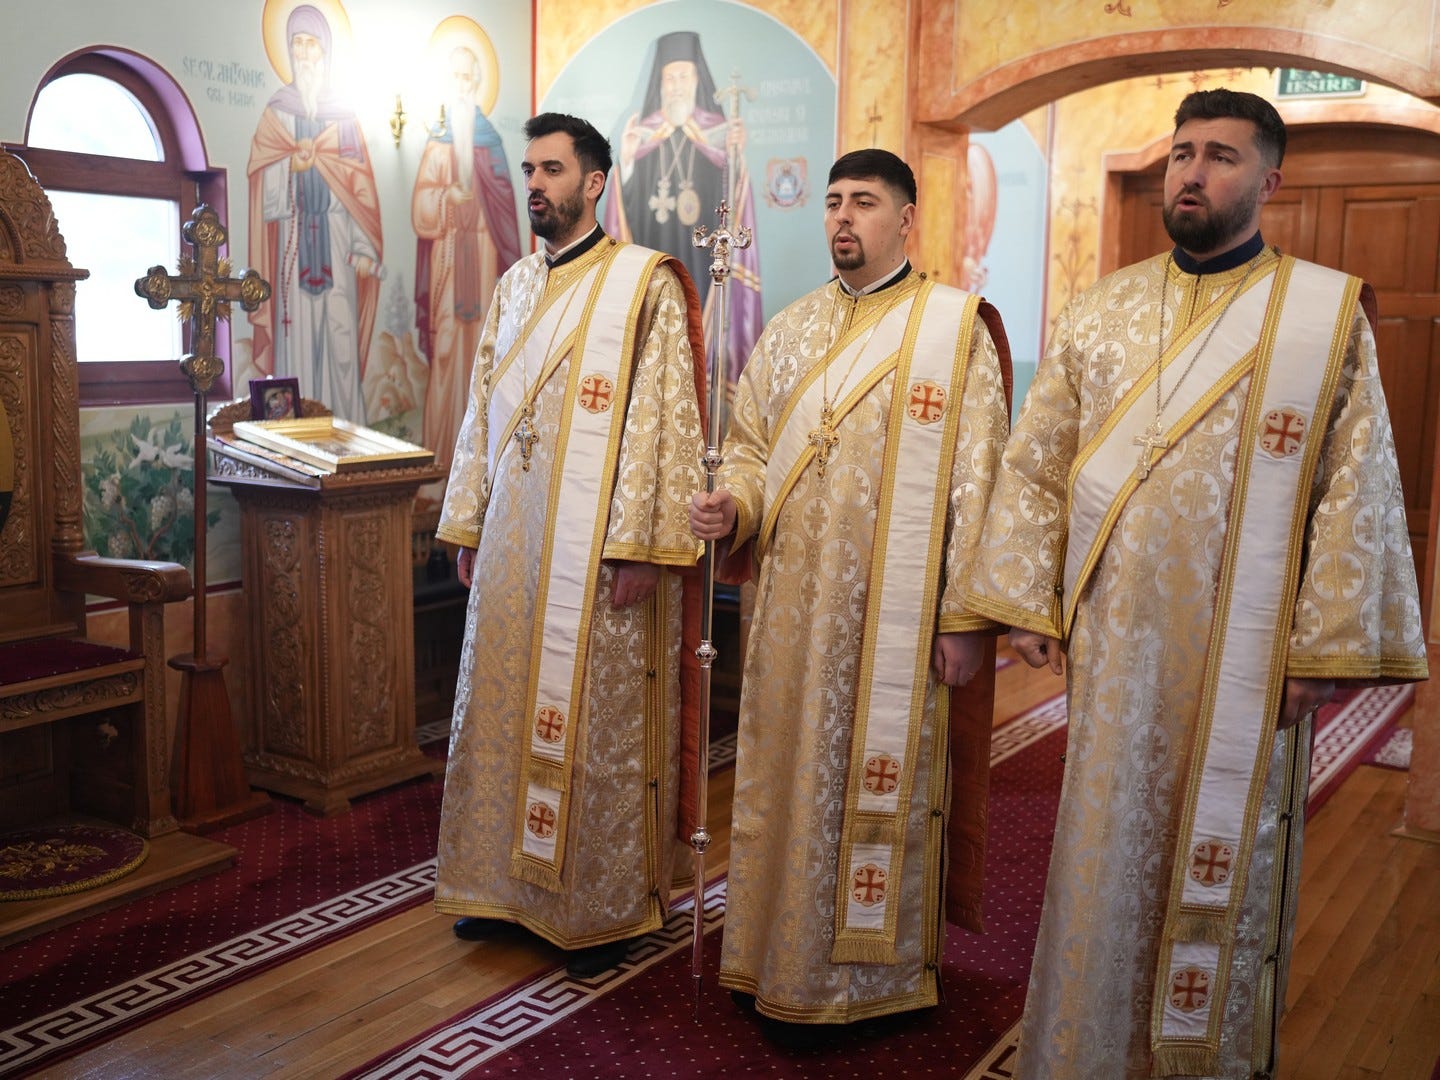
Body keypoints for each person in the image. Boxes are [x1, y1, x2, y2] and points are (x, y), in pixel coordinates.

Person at [966, 89, 1427, 1079]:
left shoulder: (1322, 316)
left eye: (1221, 155)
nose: (1192, 171)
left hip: (1245, 656)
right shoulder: (1102, 309)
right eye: (1182, 153)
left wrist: (1321, 648)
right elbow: (1038, 464)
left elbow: (1357, 490)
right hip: (1116, 639)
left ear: (1270, 180)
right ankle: (1084, 1049)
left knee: (1223, 853)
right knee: (1102, 851)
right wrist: (1027, 598)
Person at [689, 149, 1012, 1028]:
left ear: (905, 219)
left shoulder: (954, 331)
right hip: (791, 614)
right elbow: (750, 450)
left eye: (864, 202)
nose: (842, 216)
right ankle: (770, 955)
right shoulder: (789, 329)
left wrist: (964, 618)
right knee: (785, 784)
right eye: (833, 201)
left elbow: (980, 483)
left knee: (876, 786)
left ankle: (873, 981)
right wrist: (734, 506)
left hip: (893, 624)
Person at [432, 112, 706, 979]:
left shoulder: (645, 286)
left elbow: (663, 423)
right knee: (501, 710)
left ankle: (599, 907)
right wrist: (469, 522)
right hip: (513, 544)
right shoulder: (514, 287)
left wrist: (641, 544)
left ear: (593, 182)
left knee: (595, 725)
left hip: (597, 554)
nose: (535, 186)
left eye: (552, 170)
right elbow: (481, 411)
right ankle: (495, 887)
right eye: (528, 170)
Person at [247, 2, 383, 423]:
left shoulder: (346, 117)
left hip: (338, 245)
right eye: (297, 44)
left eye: (312, 45)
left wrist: (363, 246)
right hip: (293, 246)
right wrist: (291, 166)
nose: (305, 54)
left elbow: (359, 186)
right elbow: (261, 178)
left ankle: (349, 436)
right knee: (299, 344)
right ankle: (297, 440)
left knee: (341, 347)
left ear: (326, 52)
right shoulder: (277, 112)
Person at [605, 30, 762, 386]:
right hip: (653, 255)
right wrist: (626, 162)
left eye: (683, 77)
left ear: (696, 81)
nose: (676, 87)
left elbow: (734, 197)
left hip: (704, 263)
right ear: (660, 85)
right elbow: (626, 208)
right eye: (669, 78)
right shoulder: (643, 136)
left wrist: (735, 157)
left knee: (698, 344)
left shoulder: (717, 135)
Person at [413, 43, 522, 476]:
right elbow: (420, 210)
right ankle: (439, 469)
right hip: (448, 264)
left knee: (487, 357)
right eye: (455, 77)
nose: (461, 85)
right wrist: (446, 198)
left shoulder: (491, 142)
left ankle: (482, 475)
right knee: (445, 356)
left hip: (484, 262)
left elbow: (505, 210)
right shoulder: (437, 141)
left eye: (467, 77)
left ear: (477, 83)